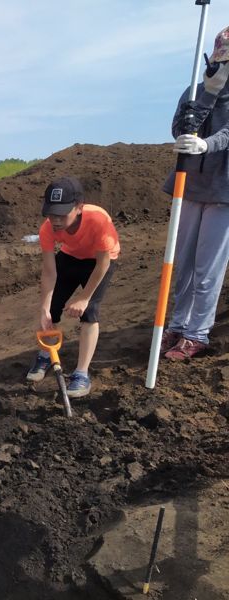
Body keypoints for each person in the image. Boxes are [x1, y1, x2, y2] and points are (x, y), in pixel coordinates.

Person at [160, 25, 229, 361]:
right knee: (182, 262)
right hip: (189, 185)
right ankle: (177, 323)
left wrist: (206, 144)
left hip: (223, 190)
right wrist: (208, 92)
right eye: (219, 55)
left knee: (207, 267)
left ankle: (197, 333)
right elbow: (180, 126)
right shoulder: (195, 88)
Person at [25, 177, 120, 398]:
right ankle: (47, 353)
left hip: (100, 261)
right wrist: (44, 309)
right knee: (54, 305)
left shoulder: (98, 220)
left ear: (78, 208)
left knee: (89, 312)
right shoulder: (47, 229)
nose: (55, 220)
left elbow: (103, 264)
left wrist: (84, 298)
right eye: (51, 213)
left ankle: (81, 374)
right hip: (71, 255)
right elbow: (49, 272)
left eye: (61, 214)